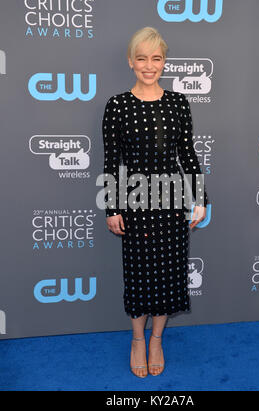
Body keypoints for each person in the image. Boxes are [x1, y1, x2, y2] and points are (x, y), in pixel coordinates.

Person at [102, 27, 208, 378]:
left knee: (169, 275)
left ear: (164, 62)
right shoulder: (117, 105)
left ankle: (157, 339)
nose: (150, 66)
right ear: (131, 61)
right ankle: (137, 340)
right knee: (138, 274)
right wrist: (112, 207)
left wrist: (200, 199)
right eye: (142, 58)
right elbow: (110, 161)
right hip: (133, 202)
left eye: (157, 58)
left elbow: (188, 156)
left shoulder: (179, 103)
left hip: (171, 201)